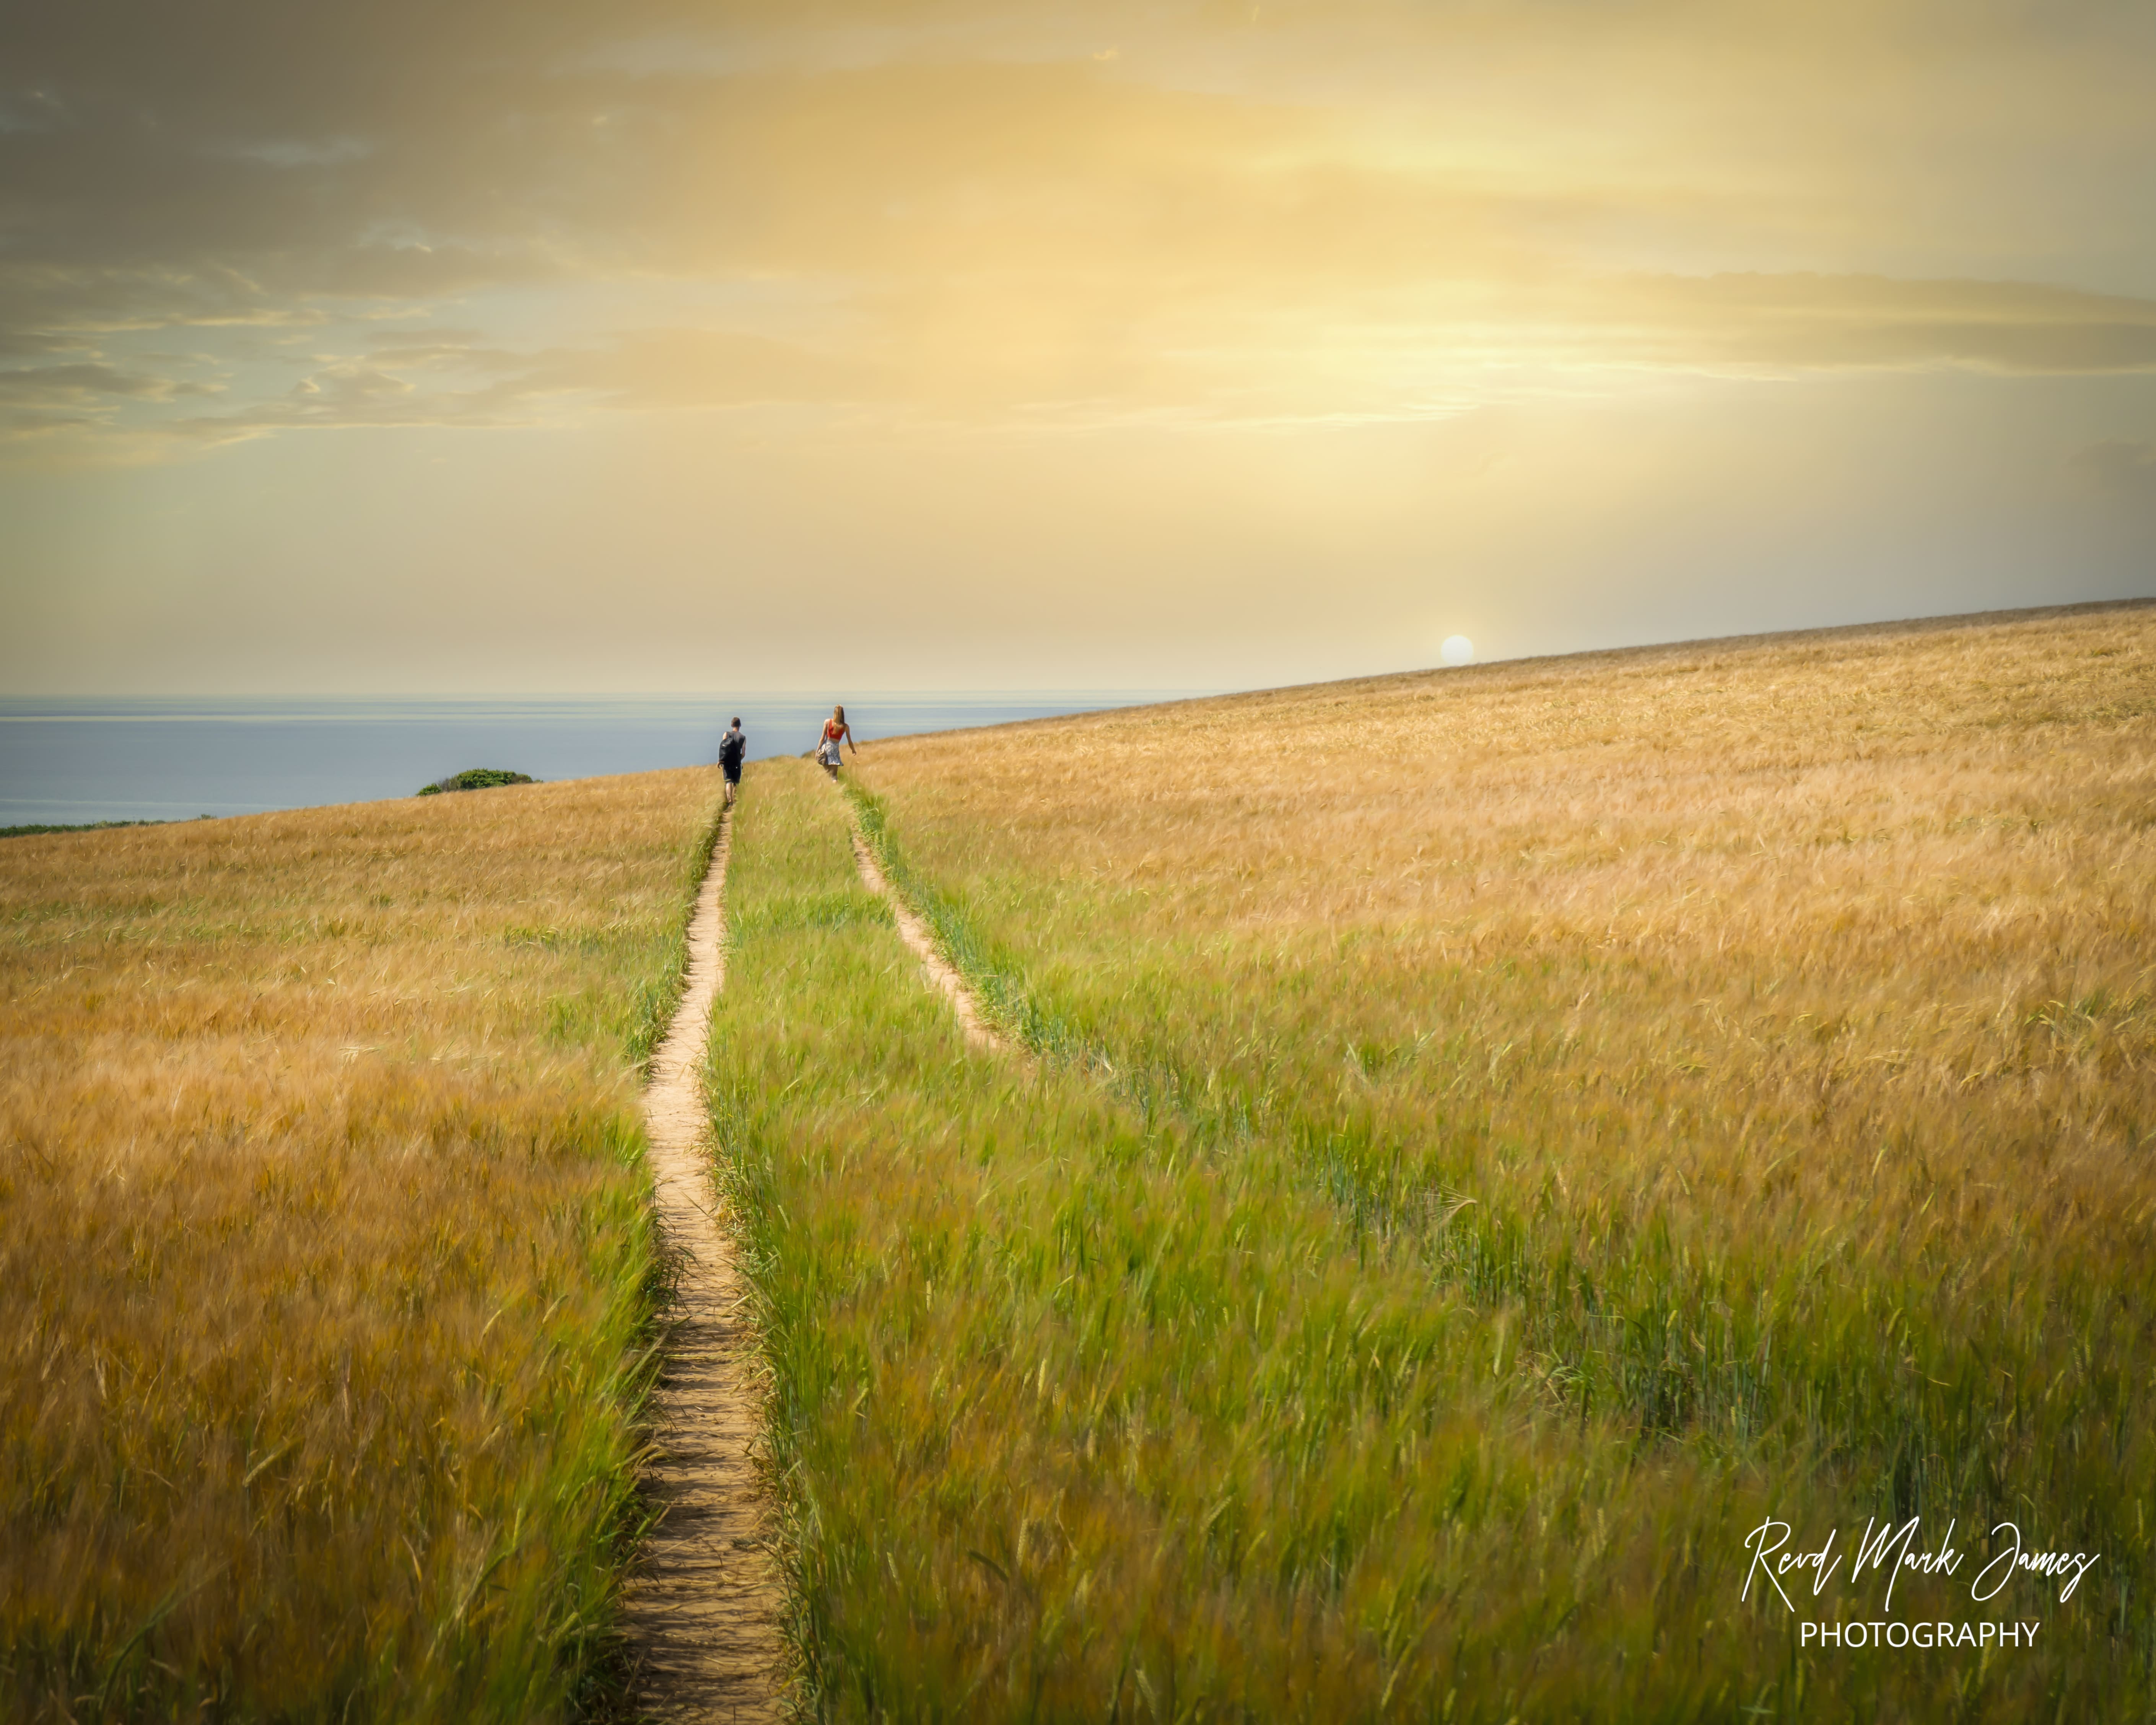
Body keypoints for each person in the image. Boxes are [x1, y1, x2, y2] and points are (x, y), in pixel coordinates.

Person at [817, 704, 853, 778]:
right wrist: (853, 750)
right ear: (843, 714)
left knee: (827, 773)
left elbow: (822, 738)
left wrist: (818, 750)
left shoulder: (828, 722)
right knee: (834, 776)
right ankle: (835, 784)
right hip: (835, 749)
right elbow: (850, 741)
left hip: (826, 747)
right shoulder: (846, 727)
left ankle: (829, 786)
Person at [717, 717, 746, 806]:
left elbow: (723, 749)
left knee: (728, 781)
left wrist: (720, 761)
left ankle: (730, 802)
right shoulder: (743, 738)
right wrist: (739, 760)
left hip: (726, 762)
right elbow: (743, 753)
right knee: (736, 782)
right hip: (737, 762)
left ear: (732, 725)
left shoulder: (726, 734)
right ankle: (735, 800)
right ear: (740, 725)